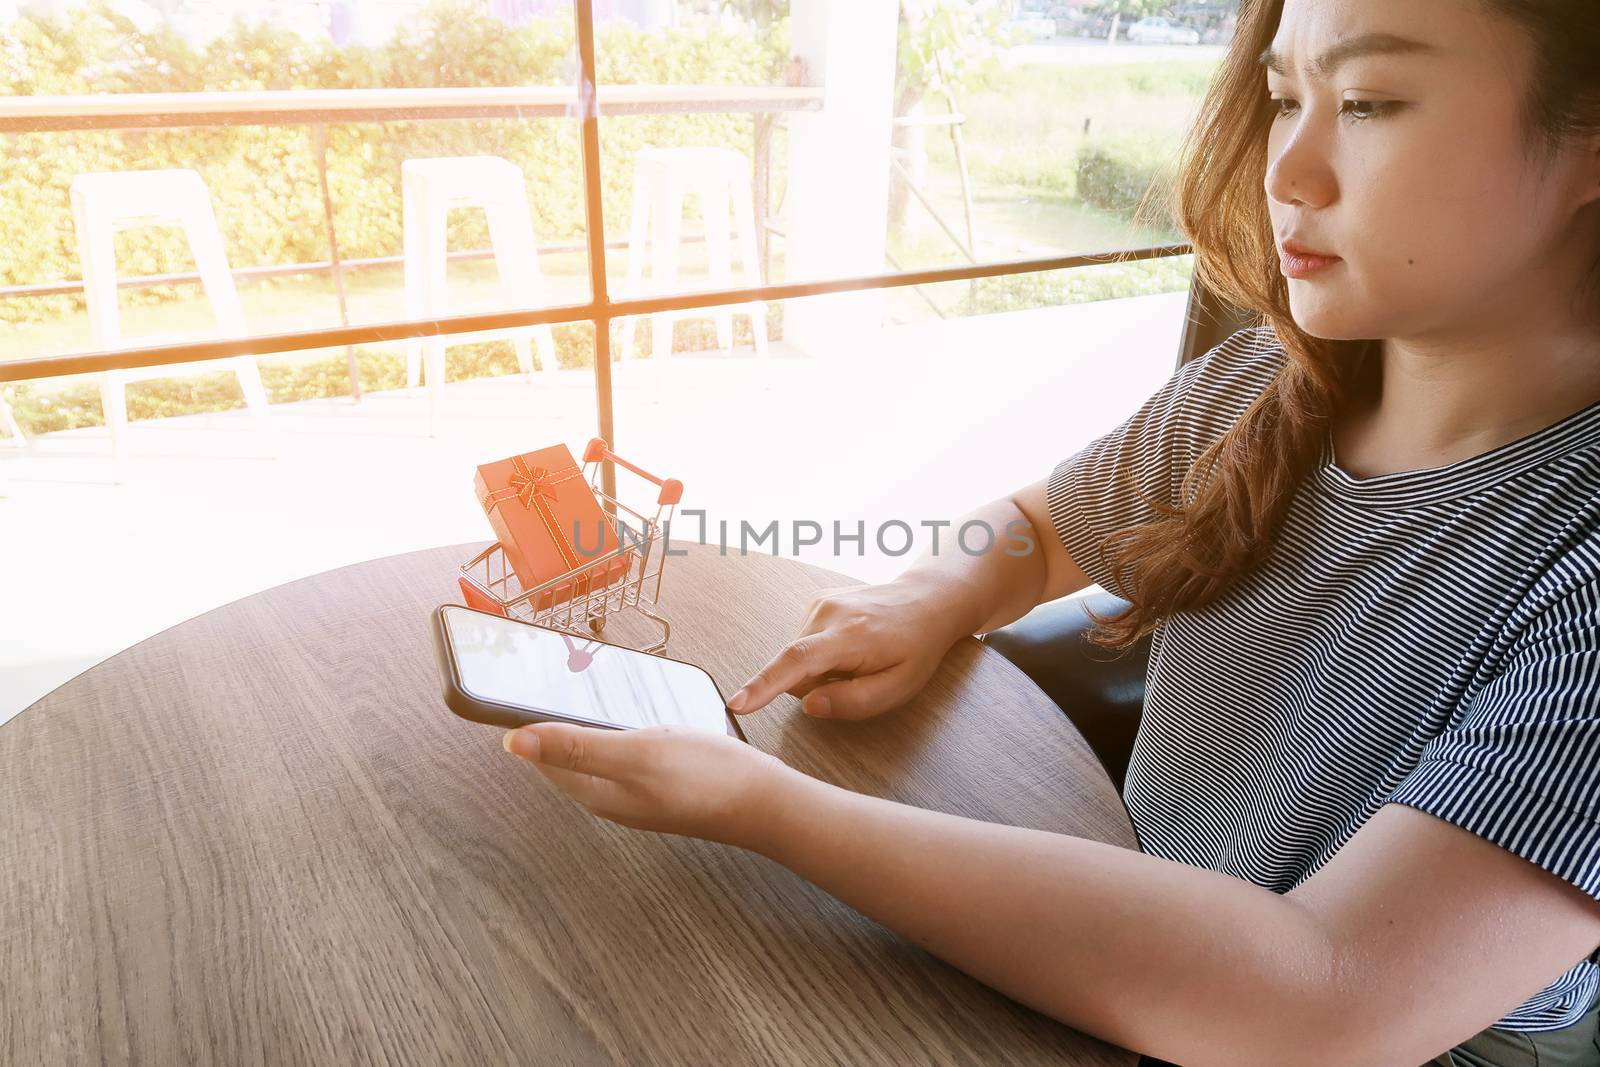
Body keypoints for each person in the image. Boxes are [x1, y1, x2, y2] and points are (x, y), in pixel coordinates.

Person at [498, 0, 1600, 1062]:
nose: (1287, 172)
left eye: (1365, 102)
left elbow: (1326, 1001)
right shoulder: (1269, 383)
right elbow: (1035, 526)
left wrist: (769, 808)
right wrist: (928, 595)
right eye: (1280, 97)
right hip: (1120, 930)